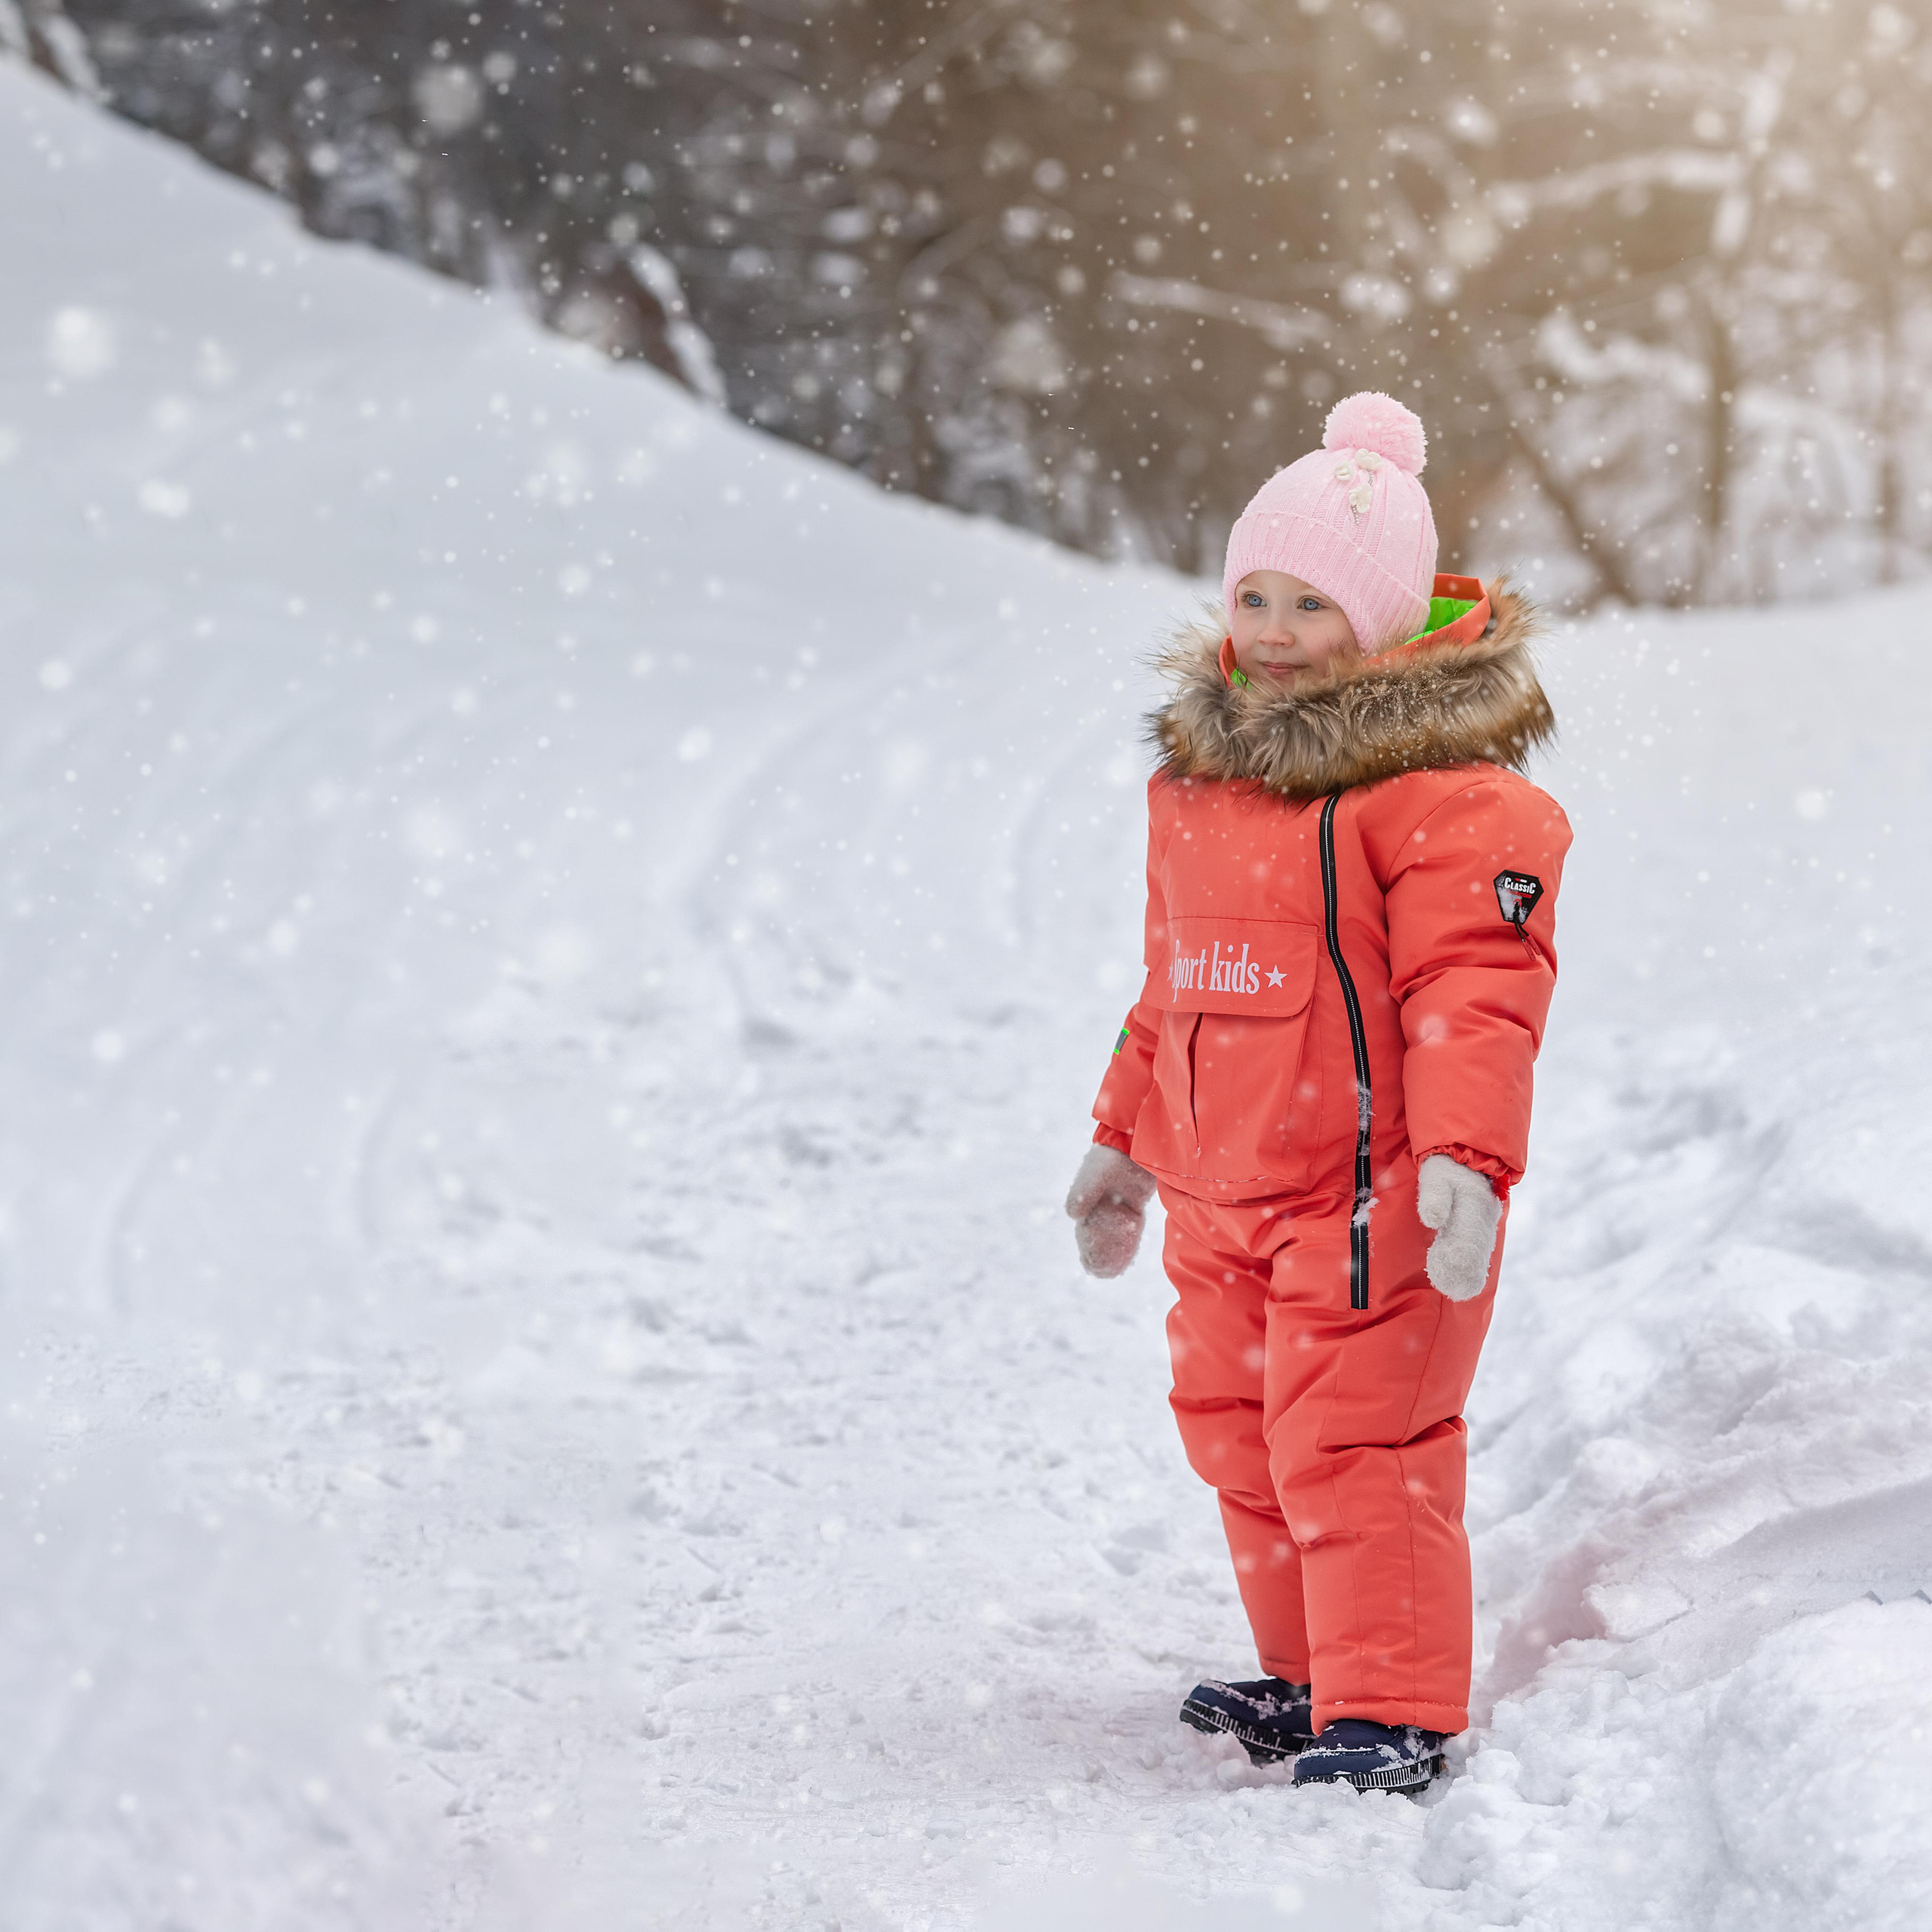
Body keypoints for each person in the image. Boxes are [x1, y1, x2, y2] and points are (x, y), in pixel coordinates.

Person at [1064, 392, 1571, 1795]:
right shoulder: (1204, 791)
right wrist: (1123, 1139)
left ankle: (1394, 1708)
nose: (1276, 631)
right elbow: (1176, 983)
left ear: (1395, 624)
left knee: (1357, 1445)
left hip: (1374, 1202)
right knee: (1237, 1436)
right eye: (1257, 596)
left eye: (1316, 605)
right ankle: (1310, 1678)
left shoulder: (1451, 806)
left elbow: (1478, 995)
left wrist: (1466, 1159)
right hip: (1222, 1193)